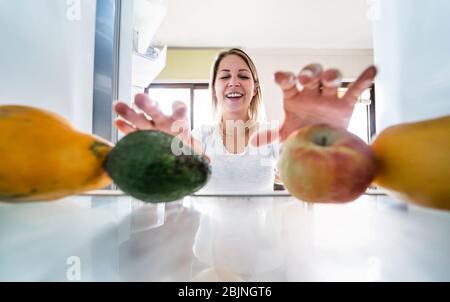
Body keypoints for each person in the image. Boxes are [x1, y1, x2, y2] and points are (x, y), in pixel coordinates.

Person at [113, 48, 376, 193]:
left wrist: (322, 137)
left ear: (255, 88)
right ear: (214, 88)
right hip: (208, 255)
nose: (234, 82)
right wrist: (161, 154)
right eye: (224, 76)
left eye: (243, 75)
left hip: (265, 258)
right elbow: (177, 178)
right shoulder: (200, 136)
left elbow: (317, 180)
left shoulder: (273, 134)